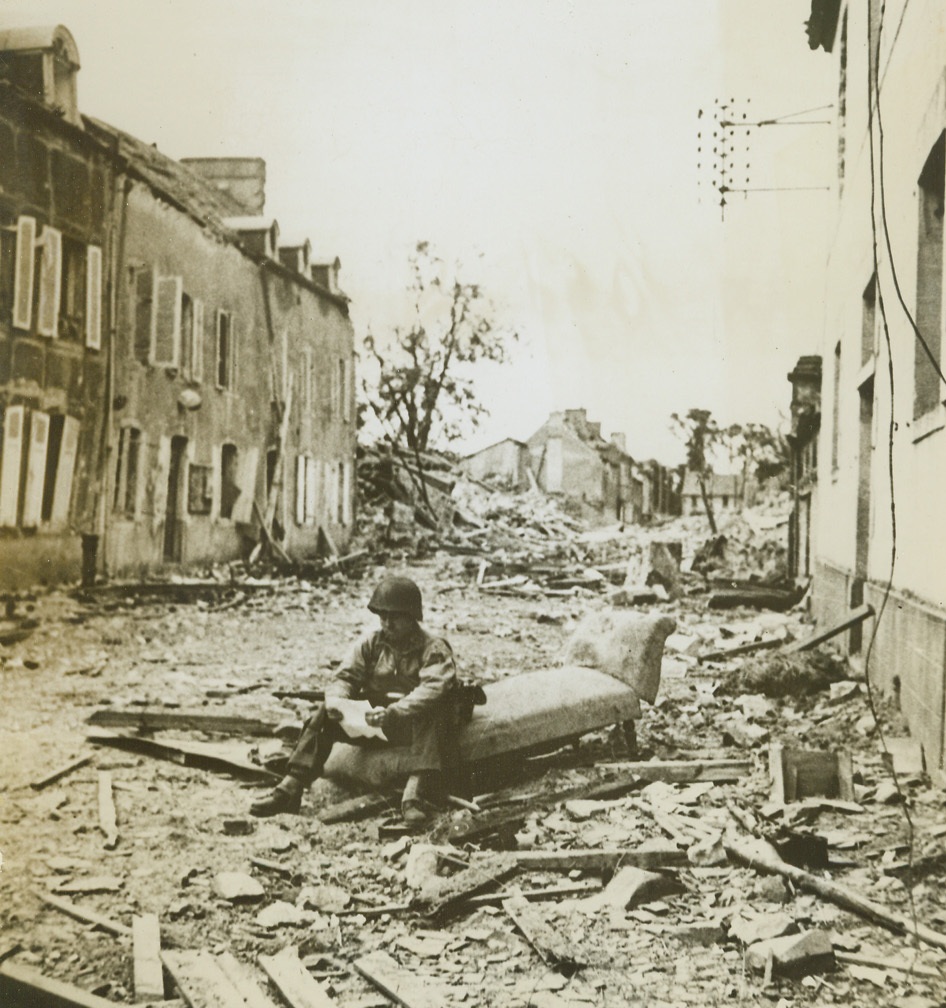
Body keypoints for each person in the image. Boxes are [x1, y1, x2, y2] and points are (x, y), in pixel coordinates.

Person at [250, 574, 458, 826]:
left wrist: (394, 712)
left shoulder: (433, 648)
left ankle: (414, 796)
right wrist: (338, 701)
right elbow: (346, 676)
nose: (388, 624)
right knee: (323, 713)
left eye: (395, 617)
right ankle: (290, 789)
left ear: (412, 616)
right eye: (383, 617)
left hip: (411, 726)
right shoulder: (372, 643)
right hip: (375, 722)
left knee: (433, 712)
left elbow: (434, 689)